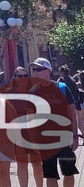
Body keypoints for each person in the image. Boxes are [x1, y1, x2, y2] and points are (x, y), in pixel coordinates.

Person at [29, 57, 81, 187]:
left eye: (39, 69)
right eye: (34, 70)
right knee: (50, 174)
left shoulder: (62, 87)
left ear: (48, 71)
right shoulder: (33, 92)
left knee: (68, 172)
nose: (36, 72)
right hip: (45, 140)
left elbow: (72, 114)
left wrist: (75, 136)